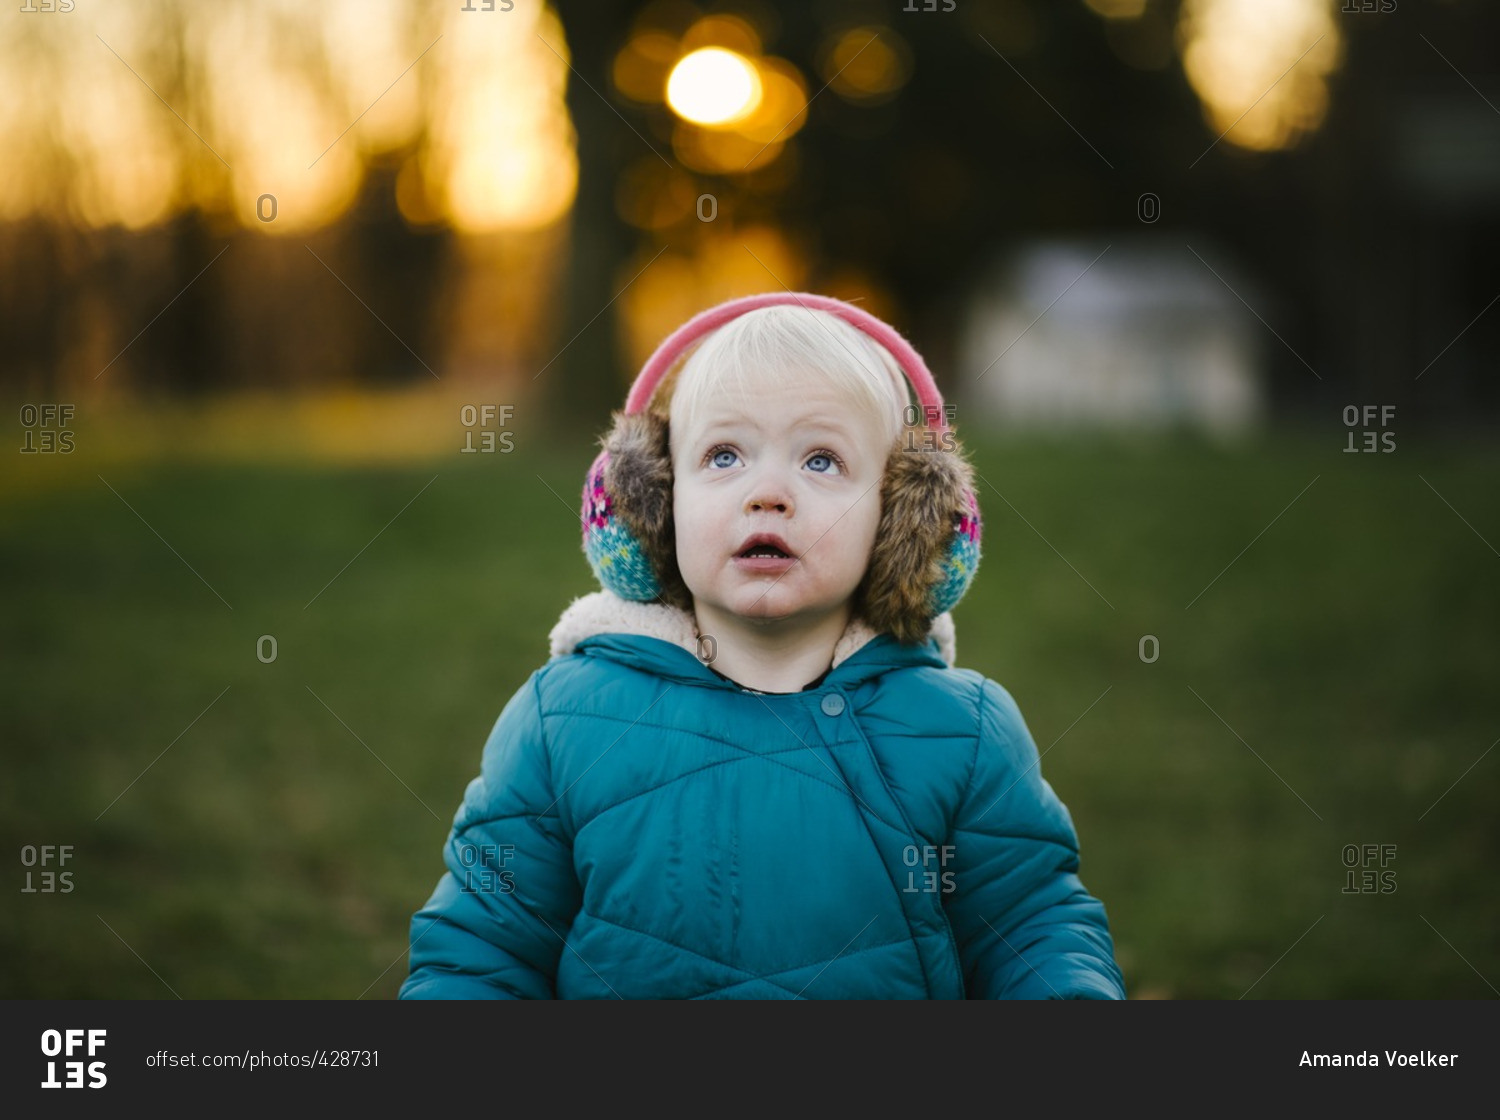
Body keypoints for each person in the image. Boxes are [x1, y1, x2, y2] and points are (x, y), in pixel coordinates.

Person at [399, 292, 1126, 999]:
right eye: (723, 456)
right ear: (649, 507)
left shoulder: (964, 734)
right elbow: (483, 947)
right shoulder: (560, 724)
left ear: (904, 520)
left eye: (820, 461)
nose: (768, 492)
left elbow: (1033, 926)